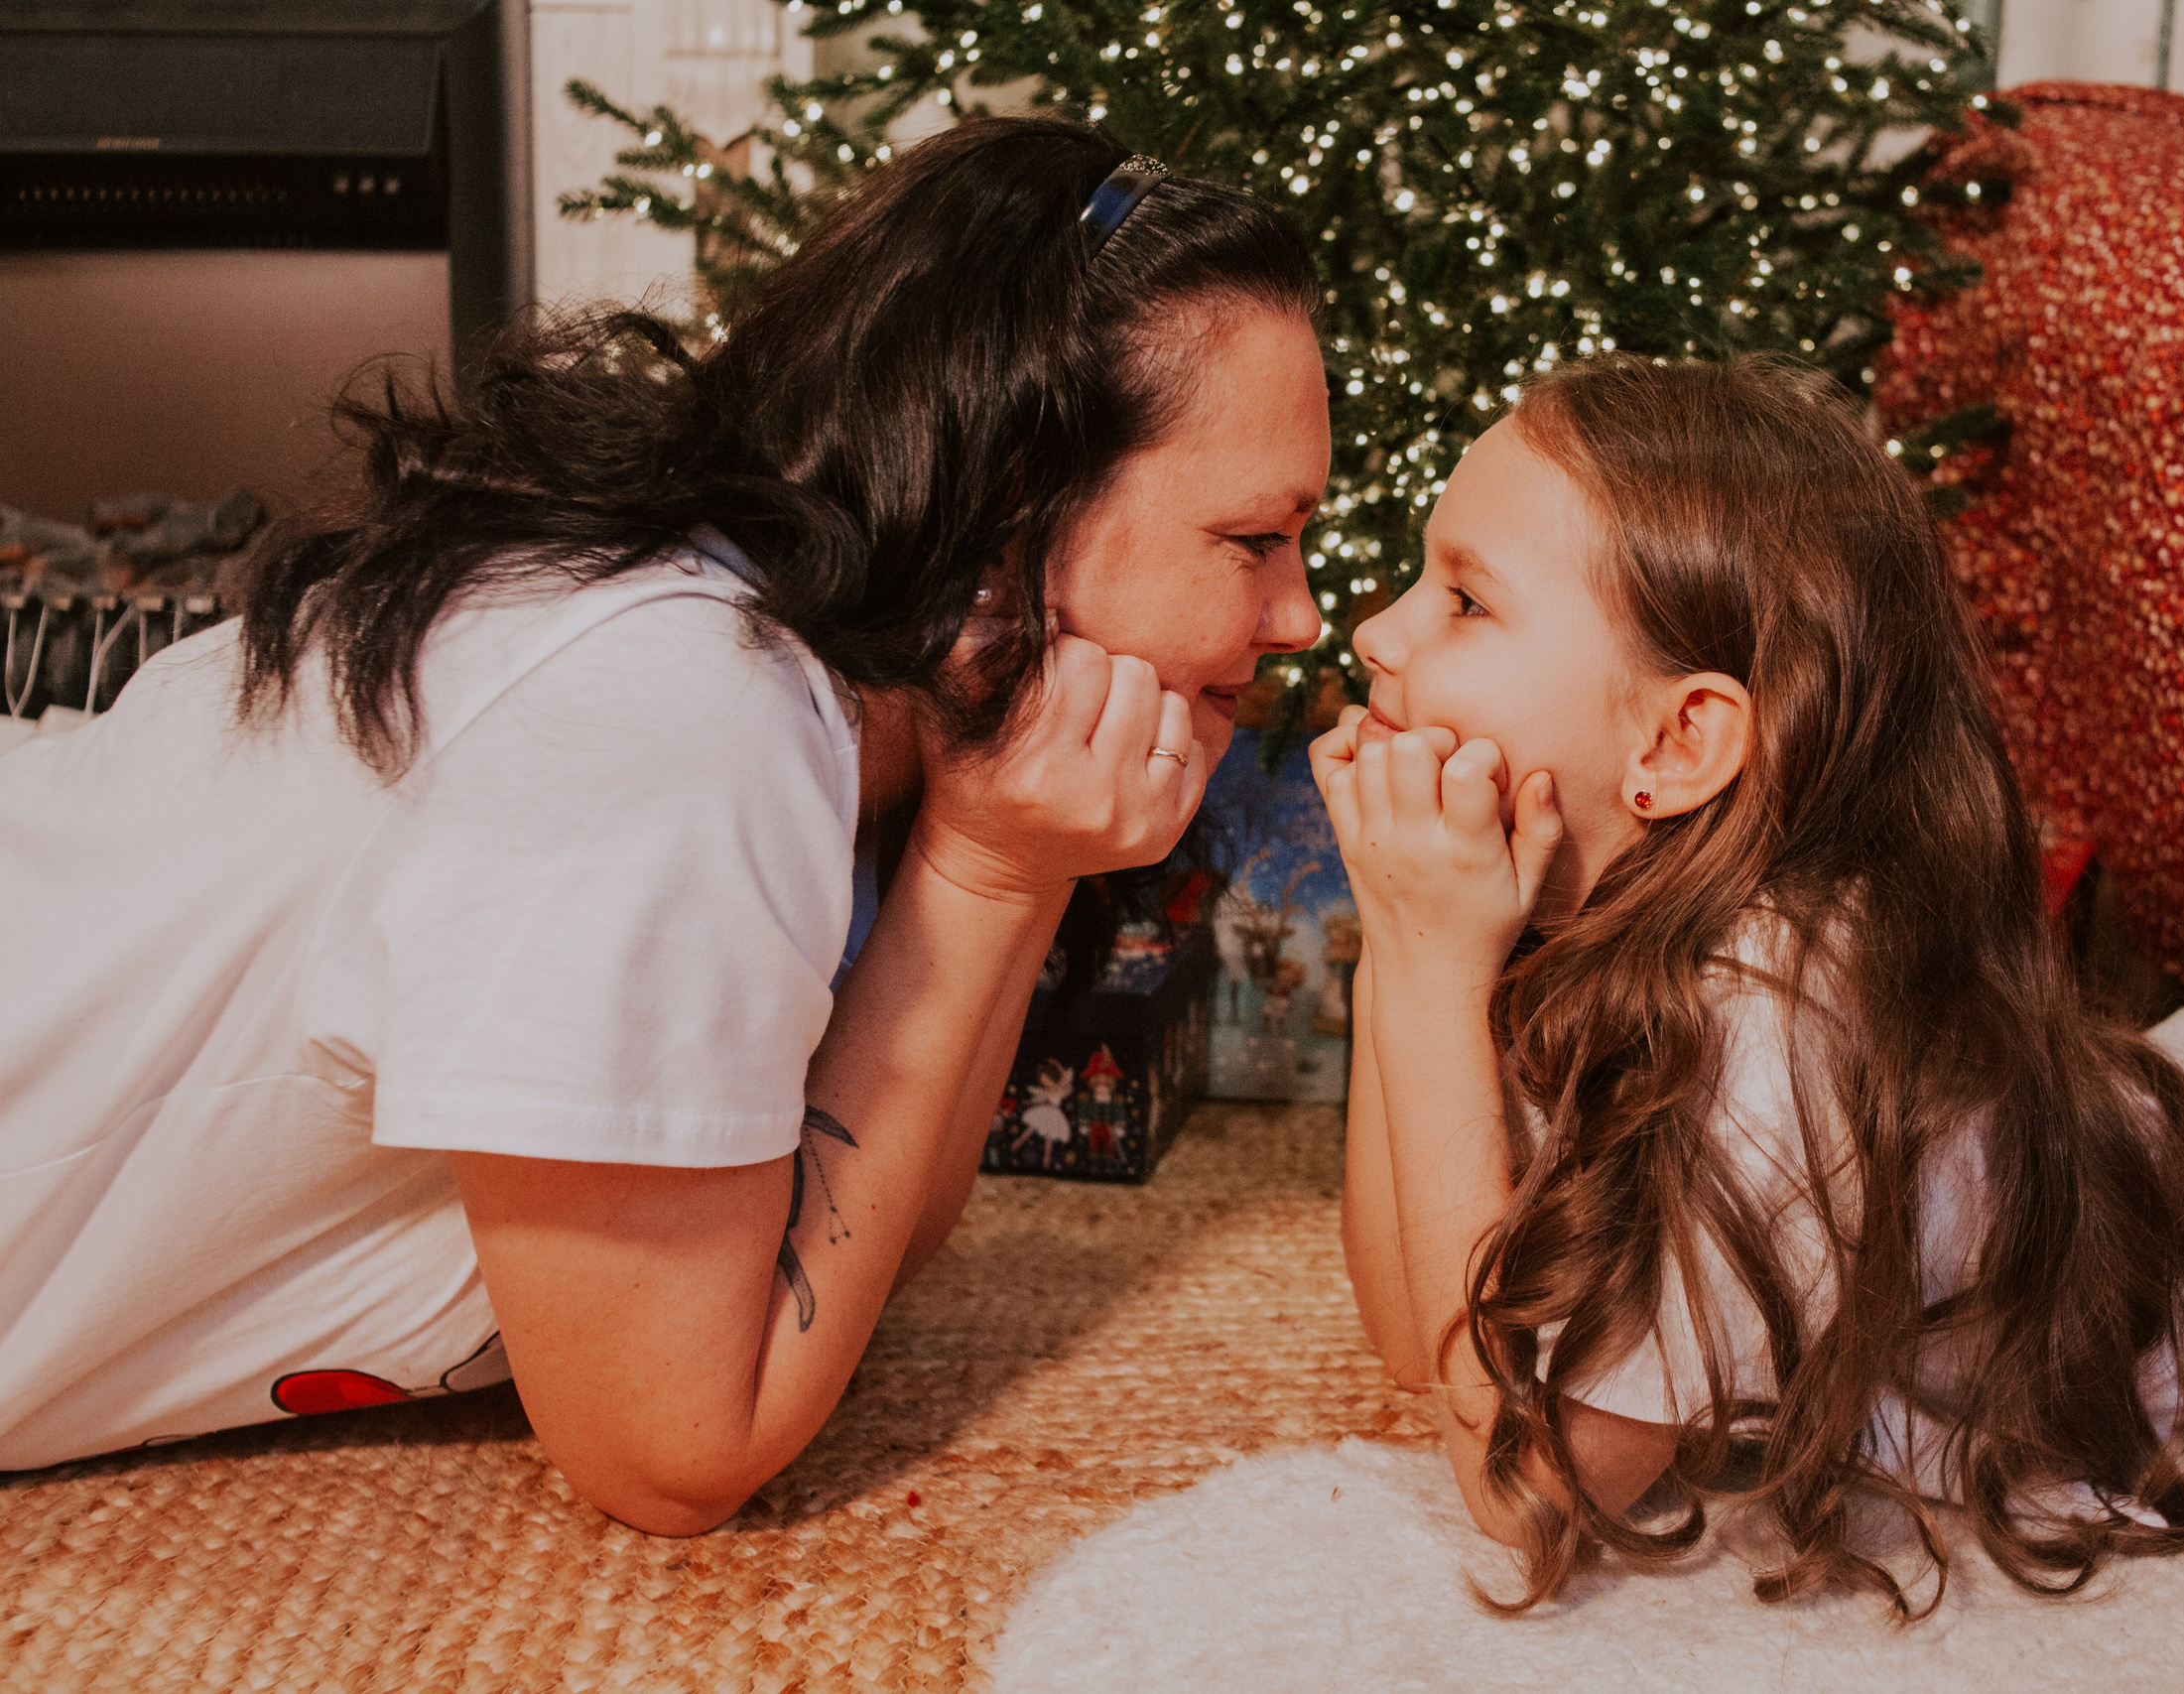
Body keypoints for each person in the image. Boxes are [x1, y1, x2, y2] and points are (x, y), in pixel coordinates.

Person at [0, 117, 1329, 1534]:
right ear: (1005, 513)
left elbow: (863, 1235)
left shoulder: (822, 692)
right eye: (1253, 539)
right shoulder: (683, 718)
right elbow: (678, 1445)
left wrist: (1012, 857)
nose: (1302, 615)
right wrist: (991, 876)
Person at [1314, 355, 2184, 1613]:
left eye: (1462, 600)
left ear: (1675, 743)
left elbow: (1532, 1488)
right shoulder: (1585, 897)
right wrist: (1405, 946)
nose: (1377, 633)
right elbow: (1424, 1335)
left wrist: (1421, 964)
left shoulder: (1775, 1021)